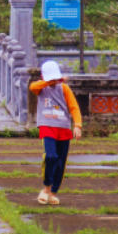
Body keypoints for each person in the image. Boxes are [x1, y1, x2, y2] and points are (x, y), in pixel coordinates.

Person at [29, 61, 82, 205]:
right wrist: (49, 81)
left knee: (61, 162)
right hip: (47, 126)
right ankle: (46, 188)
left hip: (63, 127)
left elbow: (74, 107)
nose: (53, 81)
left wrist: (77, 125)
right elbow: (32, 86)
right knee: (50, 156)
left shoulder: (64, 88)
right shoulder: (41, 88)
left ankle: (53, 193)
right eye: (50, 78)